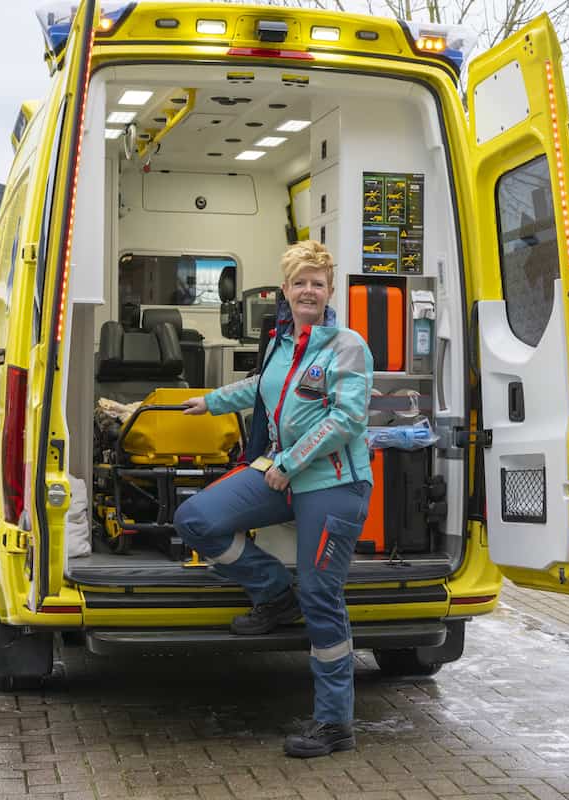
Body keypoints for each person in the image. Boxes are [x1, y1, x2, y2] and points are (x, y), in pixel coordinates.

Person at [173, 240, 374, 758]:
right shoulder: (284, 343)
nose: (309, 290)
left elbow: (347, 420)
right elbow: (266, 387)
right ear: (285, 290)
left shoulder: (347, 346)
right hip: (286, 476)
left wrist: (286, 462)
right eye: (300, 282)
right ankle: (271, 591)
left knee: (322, 598)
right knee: (196, 519)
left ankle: (334, 725)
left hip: (331, 485)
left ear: (330, 291)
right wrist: (212, 401)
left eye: (318, 283)